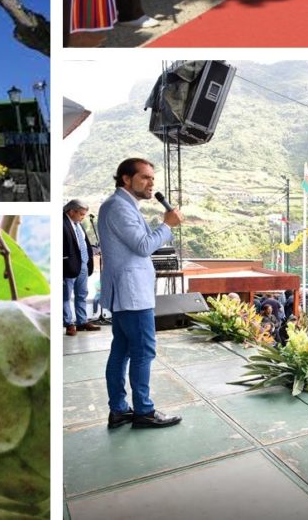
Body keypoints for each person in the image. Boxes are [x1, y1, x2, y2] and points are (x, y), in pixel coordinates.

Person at [99, 157, 183, 429]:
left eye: (152, 178)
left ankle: (120, 409)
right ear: (126, 179)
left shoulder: (124, 206)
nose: (151, 183)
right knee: (143, 352)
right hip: (132, 295)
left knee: (122, 351)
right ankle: (144, 411)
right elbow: (144, 246)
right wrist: (167, 225)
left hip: (128, 293)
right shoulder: (118, 208)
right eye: (145, 177)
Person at [63, 199, 98, 336]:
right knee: (65, 296)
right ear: (71, 211)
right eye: (81, 214)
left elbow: (83, 243)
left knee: (82, 294)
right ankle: (68, 323)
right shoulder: (61, 223)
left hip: (83, 264)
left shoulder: (78, 224)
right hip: (69, 266)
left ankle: (82, 322)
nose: (83, 217)